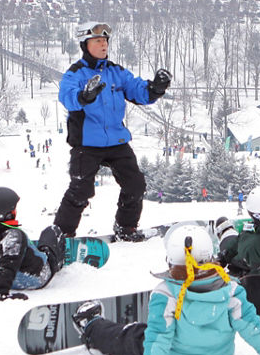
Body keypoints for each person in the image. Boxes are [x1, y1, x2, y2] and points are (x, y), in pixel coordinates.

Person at [70, 224, 260, 355]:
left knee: (133, 337)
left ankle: (92, 326)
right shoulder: (231, 289)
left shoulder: (165, 293)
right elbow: (253, 327)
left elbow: (159, 337)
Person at [54, 22, 172, 241]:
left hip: (116, 141)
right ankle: (62, 233)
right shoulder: (76, 73)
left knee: (135, 185)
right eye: (98, 41)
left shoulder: (116, 72)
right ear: (85, 45)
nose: (103, 45)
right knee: (81, 190)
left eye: (105, 41)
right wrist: (84, 96)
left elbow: (137, 90)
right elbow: (67, 97)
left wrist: (155, 88)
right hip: (88, 143)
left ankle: (126, 227)